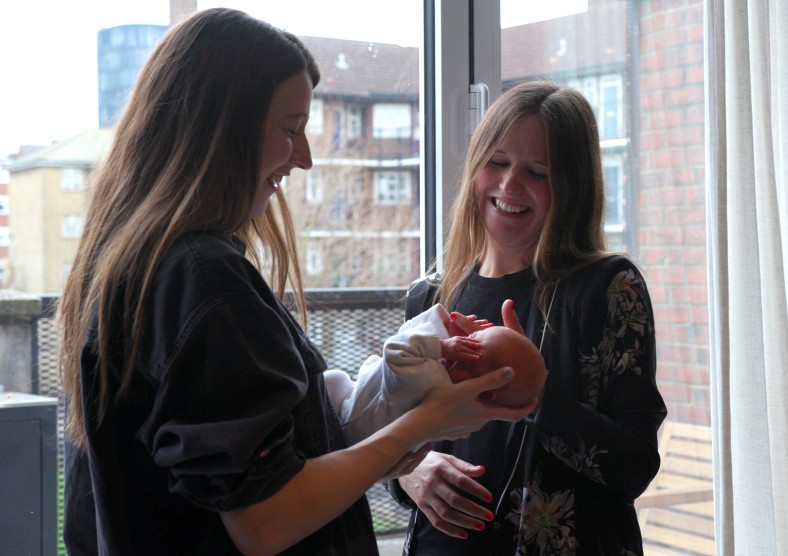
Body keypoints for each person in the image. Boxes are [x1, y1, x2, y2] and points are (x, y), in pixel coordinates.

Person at [55, 9, 534, 555]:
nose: (303, 158)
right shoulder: (205, 281)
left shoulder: (142, 269)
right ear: (219, 127)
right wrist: (429, 421)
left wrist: (386, 434)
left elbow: (267, 476)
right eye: (290, 129)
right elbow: (266, 521)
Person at [388, 81, 668, 555]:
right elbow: (387, 434)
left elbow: (633, 468)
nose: (509, 185)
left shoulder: (608, 288)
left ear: (572, 187)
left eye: (537, 172)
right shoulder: (429, 297)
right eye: (497, 163)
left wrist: (539, 397)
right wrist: (408, 471)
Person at [325, 303, 546, 446]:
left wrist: (442, 344)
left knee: (332, 379)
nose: (466, 339)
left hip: (342, 415)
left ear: (487, 389)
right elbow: (406, 336)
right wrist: (445, 331)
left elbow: (394, 347)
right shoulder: (459, 409)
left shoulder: (431, 379)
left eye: (474, 345)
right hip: (361, 436)